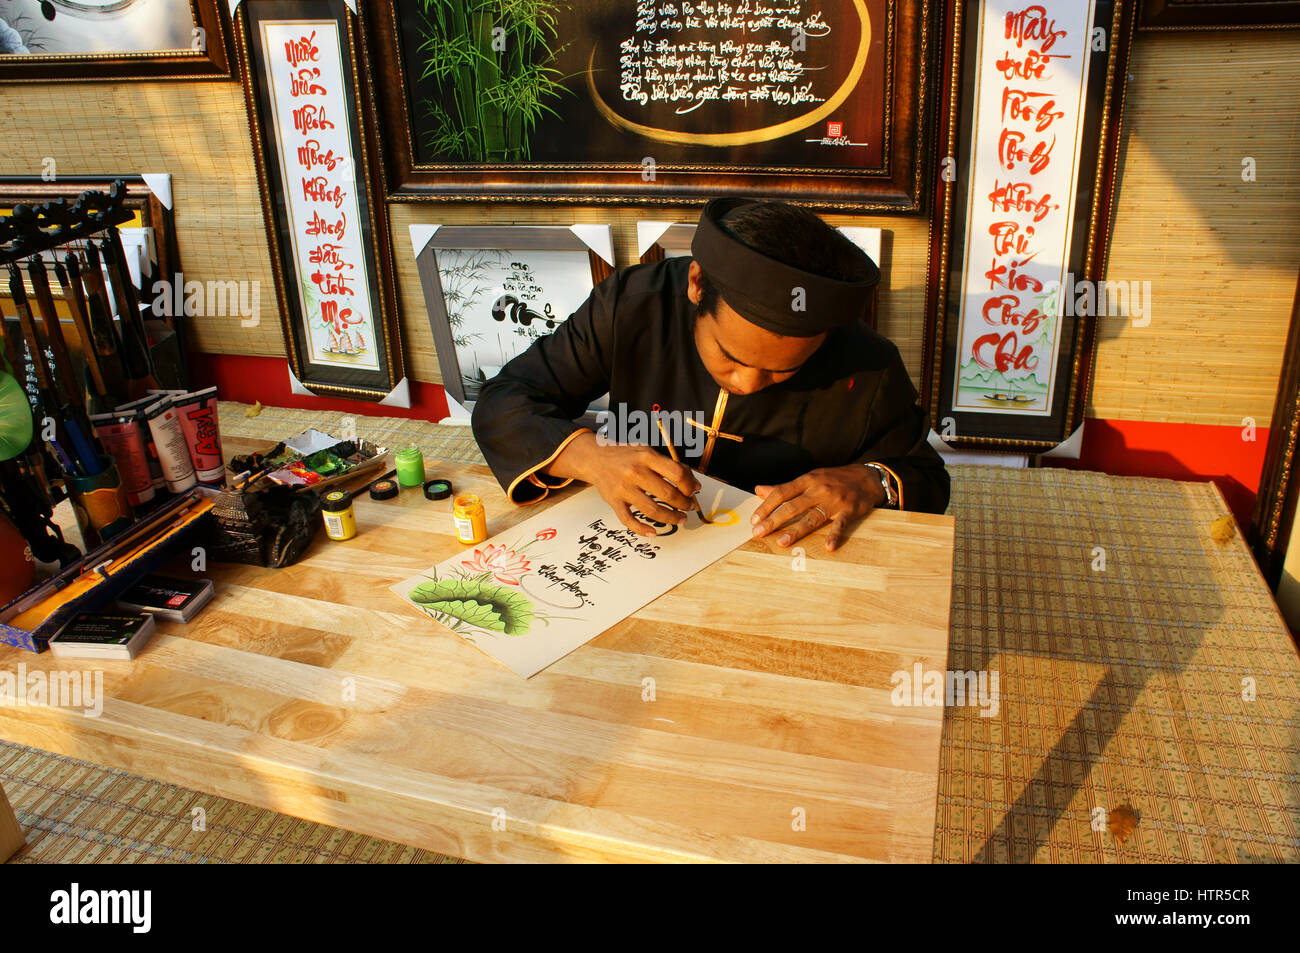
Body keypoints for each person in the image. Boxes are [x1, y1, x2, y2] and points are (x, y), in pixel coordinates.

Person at [471, 197, 950, 552]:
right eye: (731, 356)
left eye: (781, 370)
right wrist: (592, 458)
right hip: (641, 545)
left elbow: (925, 476)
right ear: (698, 284)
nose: (745, 384)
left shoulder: (865, 365)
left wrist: (870, 480)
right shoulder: (635, 306)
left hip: (774, 565)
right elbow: (507, 399)